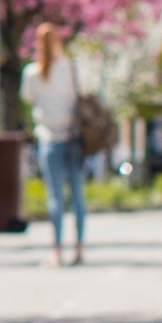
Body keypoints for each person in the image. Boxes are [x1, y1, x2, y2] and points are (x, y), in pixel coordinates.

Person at [30, 27, 97, 267]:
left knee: (55, 197)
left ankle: (56, 251)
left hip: (49, 138)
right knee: (78, 195)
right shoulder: (71, 68)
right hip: (73, 138)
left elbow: (28, 98)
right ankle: (79, 249)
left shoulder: (32, 73)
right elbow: (86, 92)